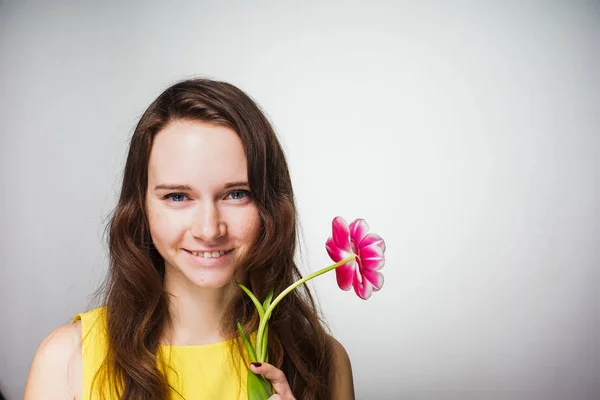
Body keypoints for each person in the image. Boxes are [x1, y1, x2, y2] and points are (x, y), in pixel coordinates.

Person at [24, 78, 354, 400]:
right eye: (178, 197)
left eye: (237, 194)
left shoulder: (325, 362)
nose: (209, 230)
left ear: (270, 203)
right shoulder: (67, 361)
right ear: (141, 206)